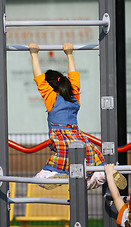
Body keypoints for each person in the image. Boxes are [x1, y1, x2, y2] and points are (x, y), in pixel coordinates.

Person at [29, 42, 106, 190]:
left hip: (61, 139)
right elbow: (75, 79)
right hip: (78, 137)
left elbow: (39, 79)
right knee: (91, 158)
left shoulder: (51, 98)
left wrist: (34, 54)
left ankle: (52, 176)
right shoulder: (74, 97)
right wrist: (70, 54)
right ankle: (99, 174)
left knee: (45, 174)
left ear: (50, 85)